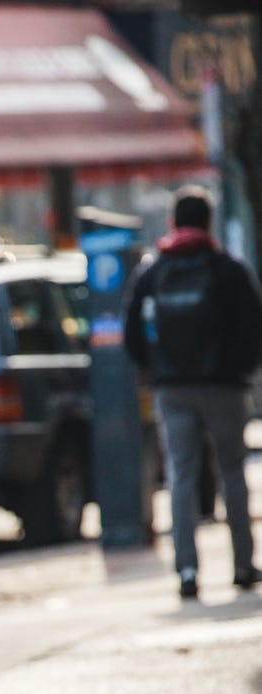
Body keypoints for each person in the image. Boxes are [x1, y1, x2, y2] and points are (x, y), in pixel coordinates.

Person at [123, 185, 262, 600]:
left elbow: (131, 333)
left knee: (181, 477)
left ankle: (186, 570)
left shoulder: (153, 270)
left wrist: (158, 370)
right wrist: (239, 370)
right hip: (223, 386)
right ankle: (242, 565)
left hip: (172, 389)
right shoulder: (227, 268)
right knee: (233, 472)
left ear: (172, 223)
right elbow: (254, 326)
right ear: (209, 222)